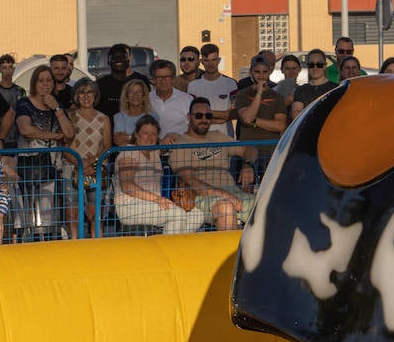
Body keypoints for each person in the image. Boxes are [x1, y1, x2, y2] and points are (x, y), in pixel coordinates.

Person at [171, 97, 258, 231]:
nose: (204, 120)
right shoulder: (181, 145)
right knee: (226, 206)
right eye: (199, 115)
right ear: (189, 117)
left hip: (233, 192)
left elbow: (249, 149)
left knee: (266, 204)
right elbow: (190, 180)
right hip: (201, 197)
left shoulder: (218, 136)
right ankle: (231, 252)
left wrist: (248, 165)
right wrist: (223, 194)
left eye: (208, 116)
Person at [113, 115, 203, 235]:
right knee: (177, 214)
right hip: (130, 205)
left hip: (153, 205)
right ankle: (169, 251)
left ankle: (172, 247)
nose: (149, 137)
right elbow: (127, 186)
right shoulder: (130, 152)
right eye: (145, 133)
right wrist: (157, 198)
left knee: (197, 215)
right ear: (136, 134)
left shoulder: (154, 152)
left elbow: (179, 138)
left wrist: (169, 135)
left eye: (153, 134)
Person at [15, 65, 75, 240]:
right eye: (41, 80)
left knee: (50, 214)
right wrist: (54, 135)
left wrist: (57, 109)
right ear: (34, 83)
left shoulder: (57, 106)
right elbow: (25, 129)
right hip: (30, 164)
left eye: (49, 80)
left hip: (53, 167)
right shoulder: (24, 103)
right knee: (31, 214)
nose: (45, 84)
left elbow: (70, 134)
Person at [67, 79, 110, 237]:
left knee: (95, 215)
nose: (86, 96)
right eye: (82, 92)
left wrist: (91, 163)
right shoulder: (70, 117)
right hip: (72, 169)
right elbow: (66, 146)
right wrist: (80, 164)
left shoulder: (103, 119)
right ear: (76, 96)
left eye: (89, 92)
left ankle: (97, 248)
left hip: (95, 169)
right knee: (73, 216)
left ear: (95, 95)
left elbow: (107, 145)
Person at [232, 59, 287, 149]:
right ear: (251, 72)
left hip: (270, 151)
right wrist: (259, 93)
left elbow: (280, 126)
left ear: (269, 72)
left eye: (264, 72)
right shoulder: (243, 94)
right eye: (257, 72)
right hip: (247, 151)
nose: (261, 76)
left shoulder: (277, 96)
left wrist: (255, 121)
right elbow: (247, 118)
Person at [187, 43, 239, 130]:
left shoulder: (231, 84)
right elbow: (192, 114)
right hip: (201, 136)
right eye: (207, 60)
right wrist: (222, 117)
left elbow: (235, 113)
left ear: (219, 60)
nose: (210, 64)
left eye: (214, 60)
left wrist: (205, 115)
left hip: (225, 137)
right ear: (201, 61)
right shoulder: (193, 86)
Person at [95, 43, 149, 119]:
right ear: (108, 62)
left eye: (122, 57)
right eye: (114, 57)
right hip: (108, 128)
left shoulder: (141, 80)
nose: (118, 60)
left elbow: (147, 105)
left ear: (128, 60)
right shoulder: (100, 84)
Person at [147, 59, 192, 143]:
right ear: (153, 80)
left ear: (173, 78)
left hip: (181, 152)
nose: (163, 81)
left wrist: (175, 136)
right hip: (152, 152)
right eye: (159, 77)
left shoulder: (187, 100)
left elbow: (193, 128)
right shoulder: (145, 99)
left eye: (167, 77)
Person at [289, 49, 335, 121]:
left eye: (319, 65)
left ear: (325, 66)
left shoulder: (335, 88)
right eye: (311, 65)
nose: (315, 68)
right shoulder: (301, 90)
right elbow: (296, 115)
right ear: (307, 66)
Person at [0, 54, 23, 148]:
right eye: (4, 68)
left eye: (10, 67)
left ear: (13, 69)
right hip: (0, 138)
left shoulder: (20, 91)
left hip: (18, 138)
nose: (8, 71)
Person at [112, 78, 153, 147]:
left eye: (139, 92)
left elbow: (152, 140)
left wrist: (128, 137)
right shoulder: (119, 117)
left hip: (149, 156)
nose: (135, 95)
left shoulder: (152, 116)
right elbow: (119, 141)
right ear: (126, 96)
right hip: (126, 156)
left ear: (144, 96)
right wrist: (142, 137)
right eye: (131, 92)